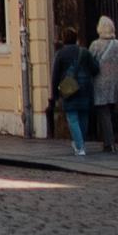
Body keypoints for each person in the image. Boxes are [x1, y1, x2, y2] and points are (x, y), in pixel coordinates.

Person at [87, 15, 118, 155]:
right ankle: (111, 139)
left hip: (99, 84)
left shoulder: (95, 45)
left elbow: (89, 63)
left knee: (104, 114)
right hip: (115, 84)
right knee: (110, 113)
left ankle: (109, 143)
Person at [50, 30, 94, 162]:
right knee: (83, 116)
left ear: (64, 39)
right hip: (85, 87)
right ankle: (80, 142)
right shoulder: (84, 52)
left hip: (69, 88)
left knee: (72, 117)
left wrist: (55, 94)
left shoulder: (60, 54)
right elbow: (94, 68)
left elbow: (55, 75)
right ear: (76, 39)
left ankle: (80, 146)